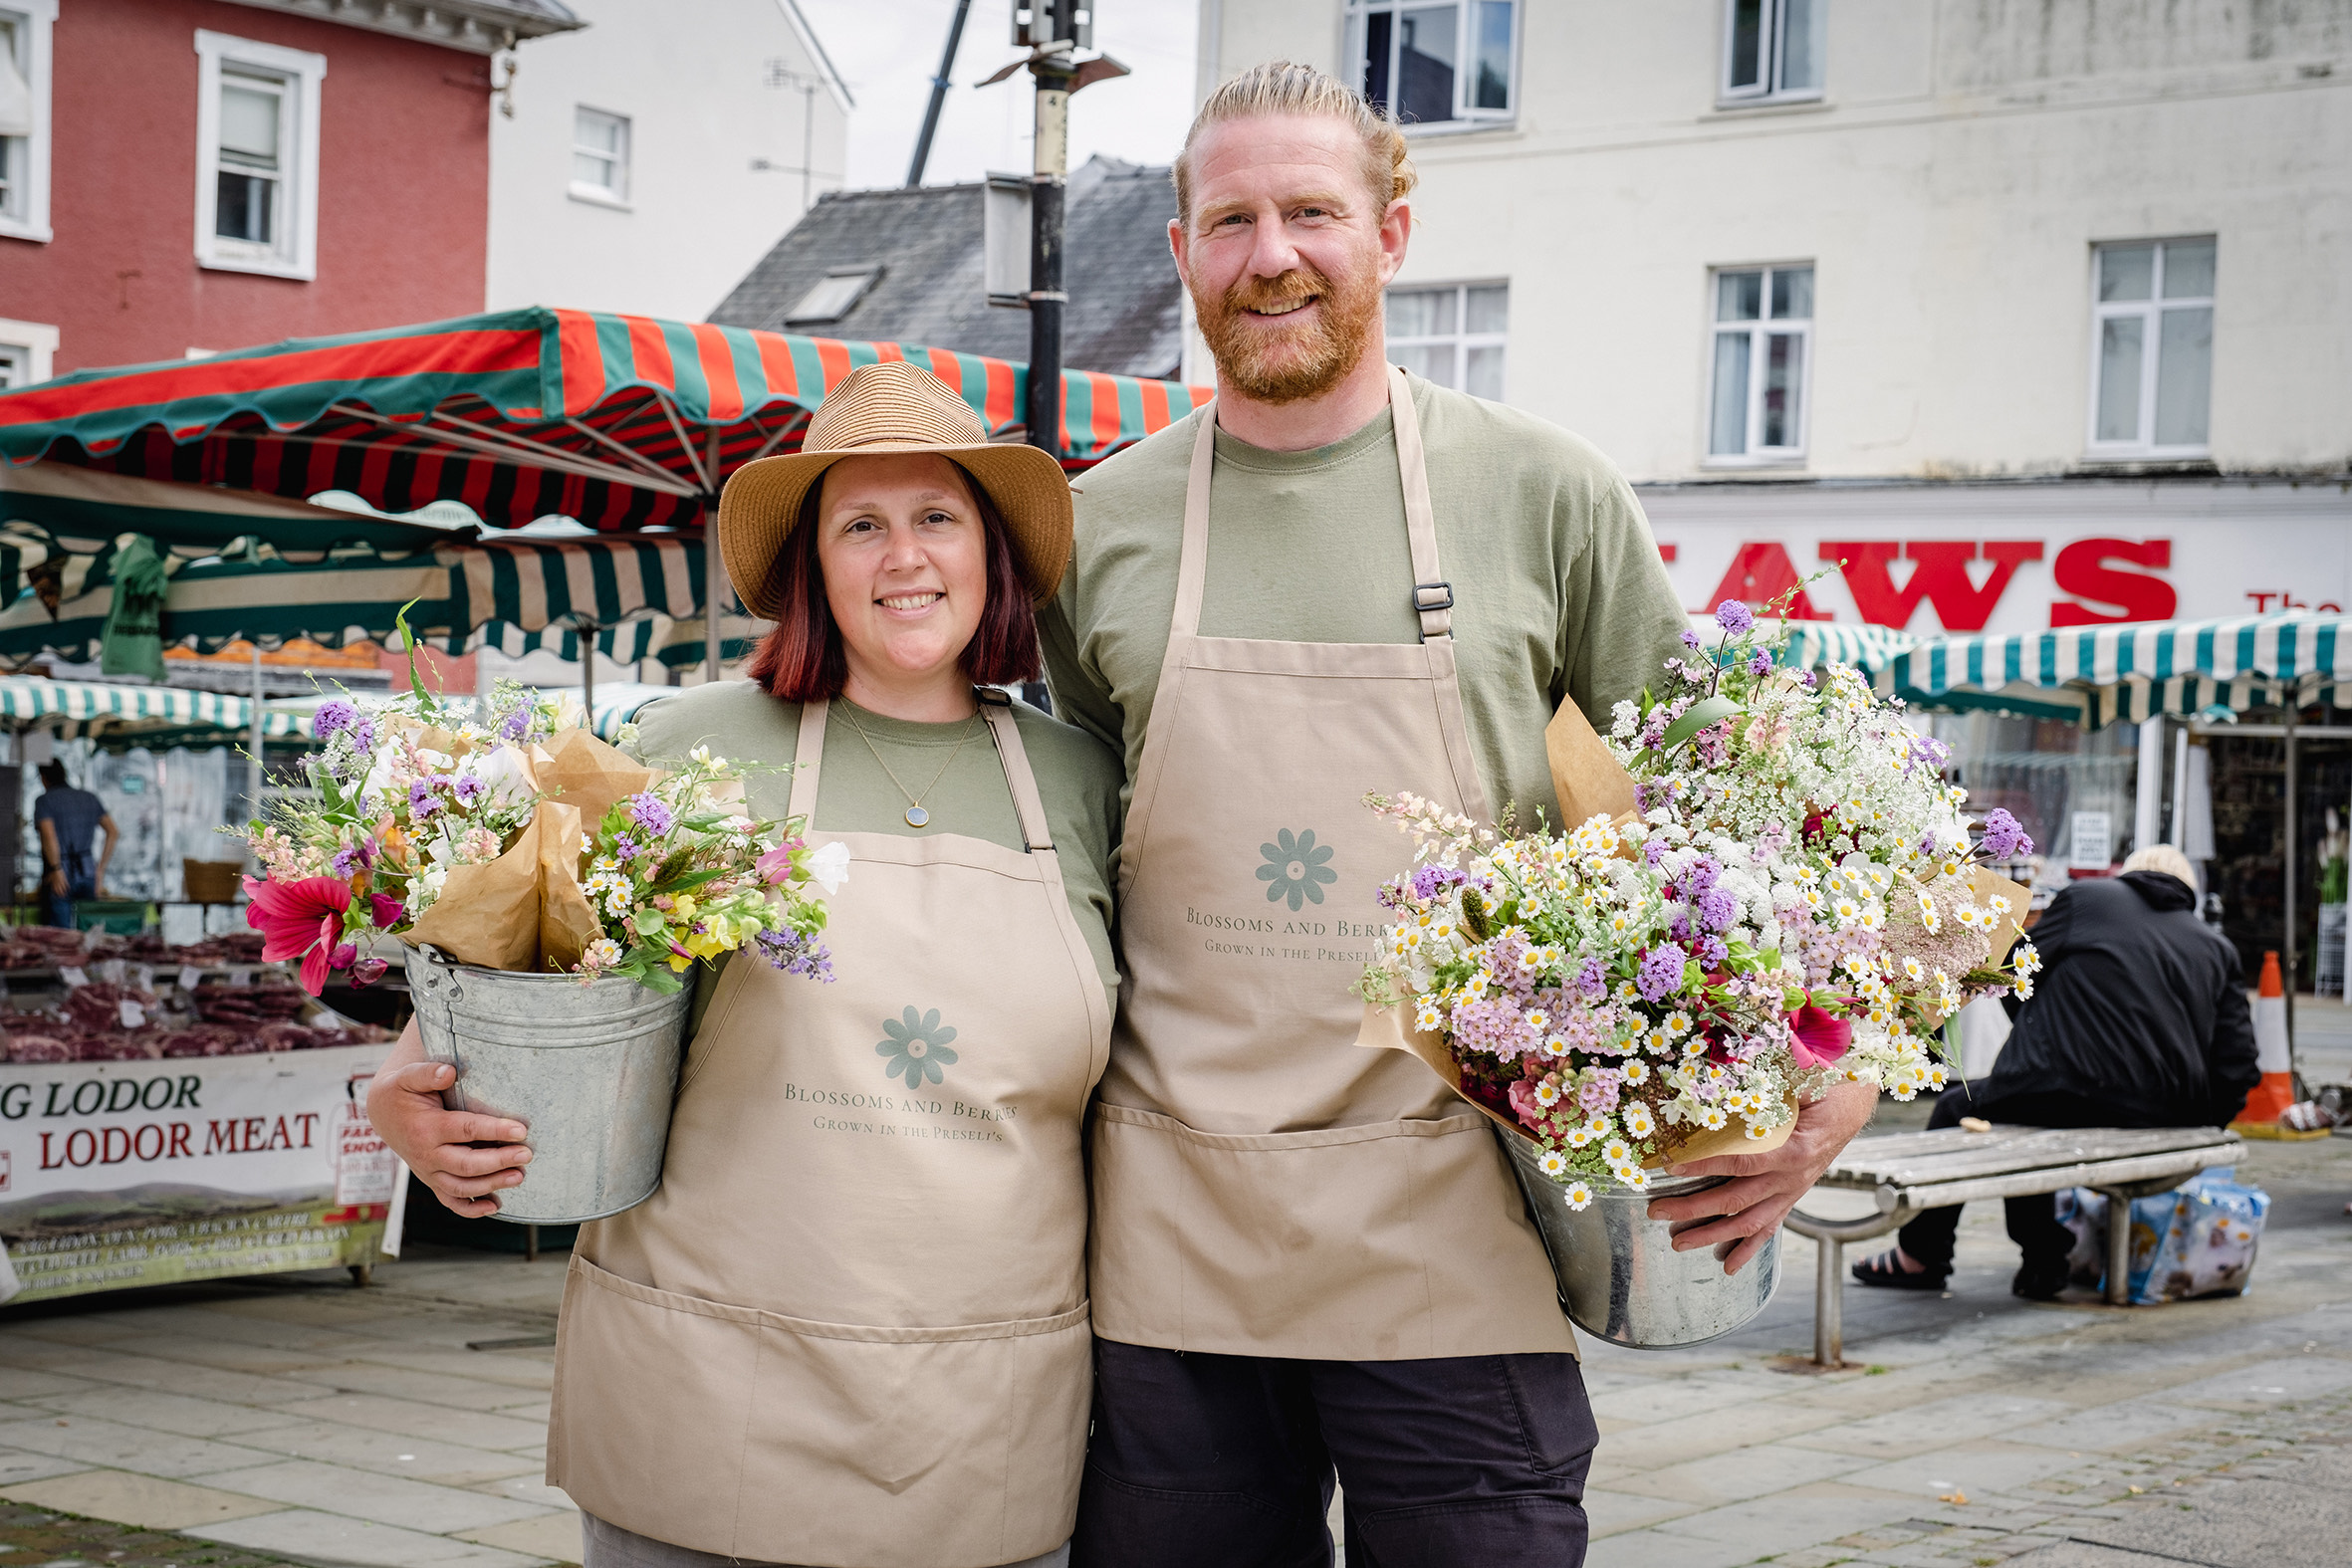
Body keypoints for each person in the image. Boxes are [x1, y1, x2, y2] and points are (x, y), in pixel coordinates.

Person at [1040, 62, 1881, 1567]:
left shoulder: (1542, 491)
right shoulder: (1096, 523)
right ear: (1179, 252)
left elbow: (1747, 812)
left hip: (1462, 1220)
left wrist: (1845, 1069)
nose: (1270, 255)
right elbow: (1060, 868)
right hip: (1170, 1240)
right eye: (1228, 220)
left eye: (1311, 212)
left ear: (1392, 233)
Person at [366, 362, 1124, 1568]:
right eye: (859, 525)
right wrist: (404, 1092)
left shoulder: (1083, 781)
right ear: (811, 569)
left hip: (990, 1411)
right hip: (712, 1395)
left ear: (992, 555)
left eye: (938, 518)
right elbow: (503, 956)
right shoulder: (684, 744)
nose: (905, 557)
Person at [1852, 842, 2260, 1300]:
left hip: (2060, 1085)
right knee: (2021, 1112)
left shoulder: (2089, 899)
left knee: (1966, 1107)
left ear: (2128, 875)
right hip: (2165, 1109)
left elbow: (2012, 975)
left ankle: (1926, 1257)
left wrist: (2042, 1035)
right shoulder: (2216, 946)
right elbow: (2238, 1064)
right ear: (2189, 892)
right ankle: (2042, 1259)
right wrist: (2206, 1122)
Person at [34, 760, 114, 928]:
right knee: (88, 932)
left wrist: (56, 869)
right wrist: (100, 870)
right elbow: (113, 832)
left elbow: (49, 835)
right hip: (88, 872)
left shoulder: (45, 801)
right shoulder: (89, 798)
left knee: (62, 939)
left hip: (61, 875)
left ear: (43, 778)